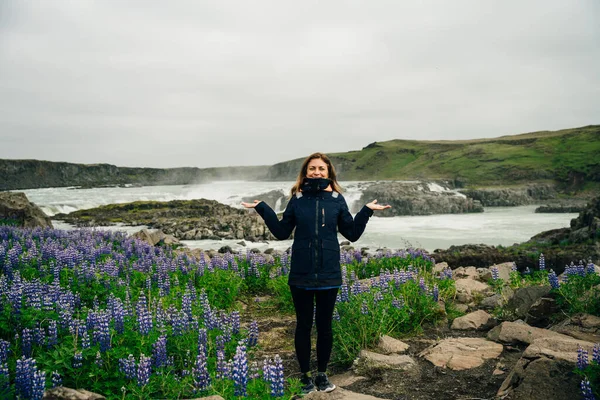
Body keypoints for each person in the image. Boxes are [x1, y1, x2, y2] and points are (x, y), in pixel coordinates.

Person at [242, 152, 390, 394]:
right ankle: (304, 376)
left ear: (329, 172)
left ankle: (322, 374)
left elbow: (351, 233)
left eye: (321, 168)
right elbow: (280, 232)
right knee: (302, 325)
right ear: (306, 172)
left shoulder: (336, 199)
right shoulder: (297, 199)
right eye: (313, 168)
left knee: (325, 326)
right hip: (301, 271)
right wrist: (262, 208)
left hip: (329, 271)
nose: (317, 172)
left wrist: (366, 211)